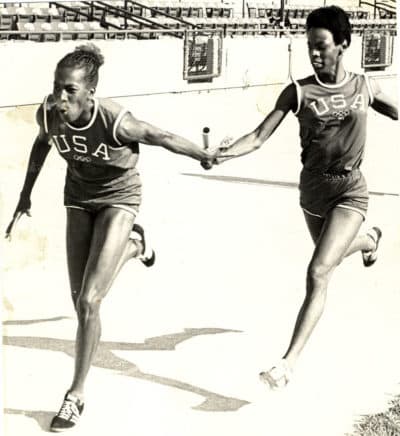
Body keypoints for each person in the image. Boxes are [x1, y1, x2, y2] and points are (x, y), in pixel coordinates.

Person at [5, 43, 212, 431]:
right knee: (81, 302)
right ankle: (134, 246)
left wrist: (202, 155)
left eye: (70, 90)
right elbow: (41, 144)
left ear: (89, 93)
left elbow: (159, 134)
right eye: (57, 87)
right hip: (79, 197)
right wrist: (25, 195)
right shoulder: (49, 114)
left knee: (89, 300)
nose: (60, 97)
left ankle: (75, 395)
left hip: (119, 196)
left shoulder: (115, 119)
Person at [208, 6, 398, 389]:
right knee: (330, 258)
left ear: (343, 44)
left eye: (322, 46)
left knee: (318, 272)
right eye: (310, 46)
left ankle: (286, 364)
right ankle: (370, 239)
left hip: (350, 191)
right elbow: (258, 136)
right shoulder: (298, 91)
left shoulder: (365, 86)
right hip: (312, 192)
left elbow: (396, 110)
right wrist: (221, 153)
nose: (314, 53)